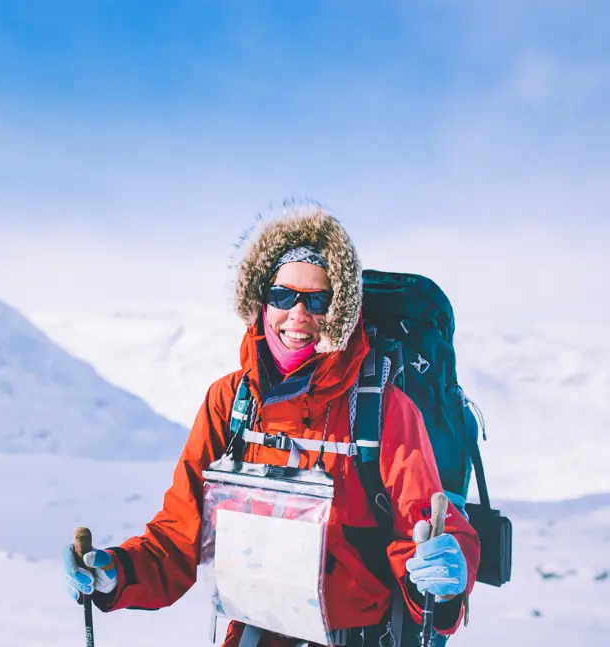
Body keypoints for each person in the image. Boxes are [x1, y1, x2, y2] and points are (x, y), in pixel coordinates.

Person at [62, 205, 481, 646]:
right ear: (259, 301)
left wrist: (446, 574)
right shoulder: (231, 402)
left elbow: (428, 525)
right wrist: (118, 572)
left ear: (339, 312)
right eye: (283, 296)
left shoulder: (383, 408)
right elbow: (178, 534)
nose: (298, 314)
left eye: (318, 300)